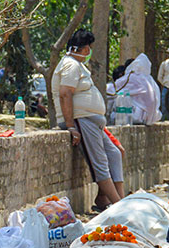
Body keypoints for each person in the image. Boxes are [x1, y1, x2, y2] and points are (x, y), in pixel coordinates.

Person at [53, 29, 124, 212]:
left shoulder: (78, 65)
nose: (89, 52)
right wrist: (70, 126)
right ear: (85, 49)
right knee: (100, 162)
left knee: (114, 153)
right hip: (81, 120)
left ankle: (113, 199)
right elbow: (65, 94)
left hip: (93, 121)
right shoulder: (70, 65)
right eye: (89, 48)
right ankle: (119, 206)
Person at [110, 53, 162, 125]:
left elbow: (112, 89)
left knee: (118, 102)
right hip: (152, 117)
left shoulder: (131, 77)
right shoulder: (151, 81)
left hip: (136, 116)